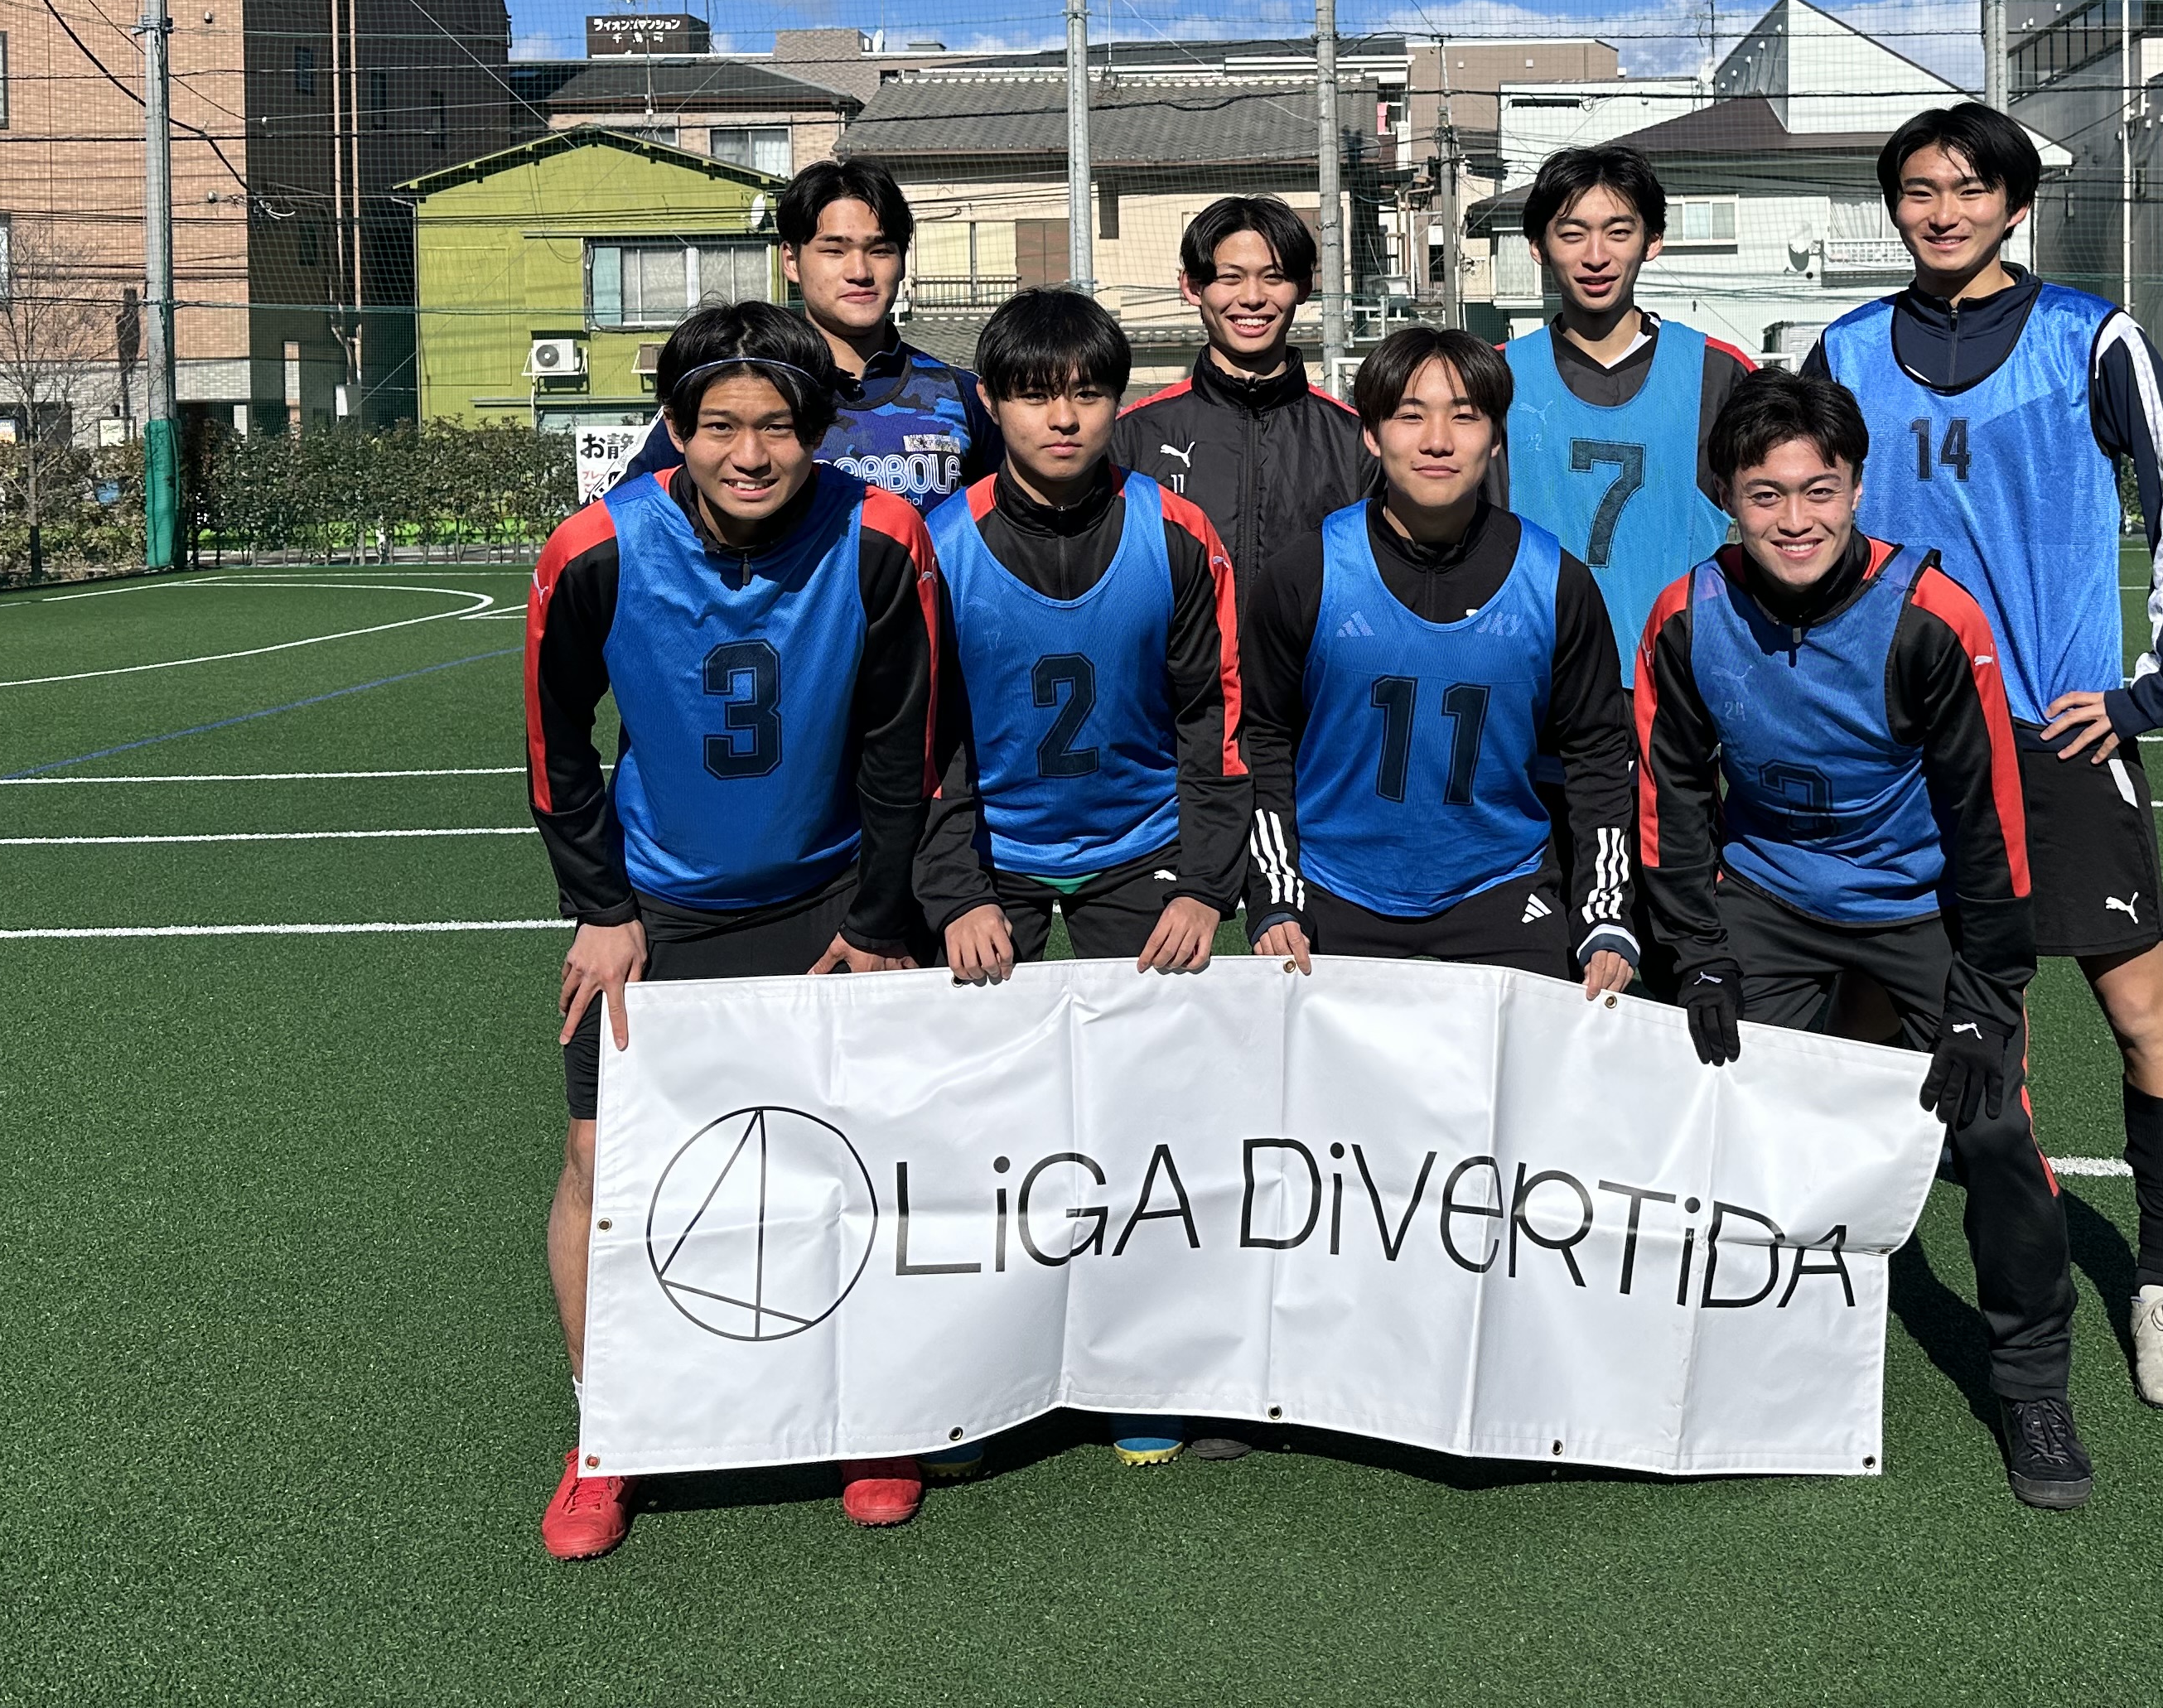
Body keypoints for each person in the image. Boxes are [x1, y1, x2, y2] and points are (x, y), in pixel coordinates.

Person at [1807, 102, 2163, 1411]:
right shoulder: (1846, 349)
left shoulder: (2088, 338)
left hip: (2053, 732)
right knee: (1874, 1015)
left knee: (2142, 1010)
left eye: (1966, 188)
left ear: (2012, 203)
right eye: (1917, 190)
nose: (1940, 212)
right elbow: (1798, 517)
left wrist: (2152, 688)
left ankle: (2160, 1287)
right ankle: (1858, 1268)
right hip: (1893, 739)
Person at [524, 299, 946, 1556]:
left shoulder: (881, 538)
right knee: (602, 1164)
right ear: (675, 424)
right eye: (719, 426)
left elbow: (903, 751)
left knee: (861, 1158)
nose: (750, 454)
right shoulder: (596, 548)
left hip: (828, 895)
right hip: (658, 905)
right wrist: (603, 910)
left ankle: (870, 1410)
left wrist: (878, 916)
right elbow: (557, 751)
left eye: (778, 427)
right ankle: (608, 1431)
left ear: (818, 429)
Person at [1634, 369, 2091, 1509]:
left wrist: (1984, 996)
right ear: (1728, 501)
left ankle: (2032, 1381)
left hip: (1920, 904)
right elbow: (1673, 800)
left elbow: (1989, 825)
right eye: (1766, 496)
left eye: (1819, 490)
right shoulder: (1686, 616)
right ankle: (1755, 1358)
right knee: (1733, 1118)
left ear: (1855, 488)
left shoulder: (1930, 617)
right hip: (1768, 898)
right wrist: (1698, 952)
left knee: (1993, 1130)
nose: (1796, 520)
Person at [919, 287, 1249, 1469]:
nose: (1062, 418)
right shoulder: (940, 545)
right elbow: (921, 741)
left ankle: (1146, 1363)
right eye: (1032, 394)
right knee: (973, 1122)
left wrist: (1204, 884)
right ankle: (977, 1373)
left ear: (1118, 401)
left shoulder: (1177, 533)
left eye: (1087, 393)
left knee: (1150, 1115)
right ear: (993, 404)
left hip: (1140, 851)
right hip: (994, 856)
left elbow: (1216, 721)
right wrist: (957, 892)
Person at [1242, 325, 1638, 989]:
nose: (1437, 440)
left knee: (1534, 1058)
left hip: (1501, 884)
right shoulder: (1306, 572)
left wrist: (1603, 914)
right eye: (1409, 415)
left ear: (1497, 436)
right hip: (1335, 886)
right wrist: (1277, 892)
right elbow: (1262, 738)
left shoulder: (1554, 580)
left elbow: (1597, 752)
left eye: (1464, 415)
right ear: (1372, 434)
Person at [1495, 143, 1754, 668]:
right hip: (1533, 674)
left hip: (1678, 674)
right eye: (1572, 234)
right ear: (1538, 246)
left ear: (1652, 240)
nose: (1596, 256)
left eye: (1618, 231)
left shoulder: (1719, 374)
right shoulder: (1495, 378)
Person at [622, 157, 997, 499]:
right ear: (791, 260)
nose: (860, 272)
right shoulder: (730, 389)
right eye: (834, 250)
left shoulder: (964, 395)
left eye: (880, 250)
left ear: (902, 261)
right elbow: (623, 518)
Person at [1109, 195, 1368, 608]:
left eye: (1274, 277)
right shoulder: (1131, 437)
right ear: (1193, 288)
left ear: (1304, 287)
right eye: (1230, 278)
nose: (1252, 298)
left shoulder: (1357, 440)